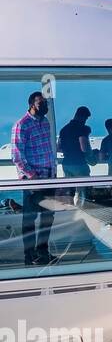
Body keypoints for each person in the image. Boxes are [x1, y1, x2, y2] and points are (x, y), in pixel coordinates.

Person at [12, 91, 56, 266]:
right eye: (40, 103)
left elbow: (47, 149)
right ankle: (30, 256)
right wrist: (33, 176)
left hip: (48, 177)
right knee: (30, 218)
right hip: (33, 180)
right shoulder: (21, 125)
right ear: (31, 105)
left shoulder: (45, 122)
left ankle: (43, 252)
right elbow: (17, 156)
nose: (44, 106)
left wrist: (53, 174)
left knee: (48, 217)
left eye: (45, 103)